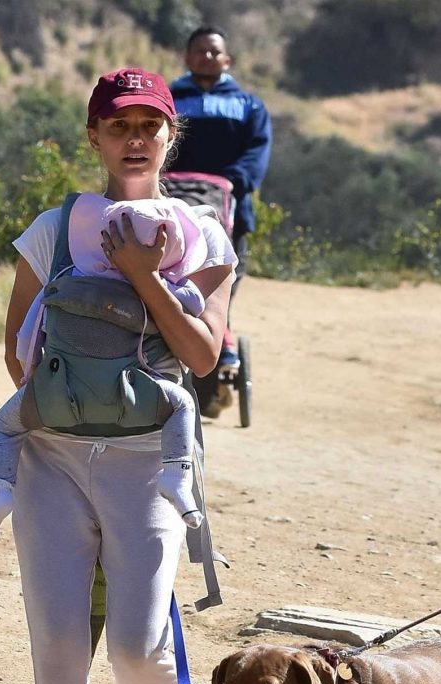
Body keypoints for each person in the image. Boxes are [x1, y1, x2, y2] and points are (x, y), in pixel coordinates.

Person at [1, 67, 235, 684]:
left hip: (147, 461)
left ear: (172, 137)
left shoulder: (201, 234)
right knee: (59, 648)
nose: (134, 137)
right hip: (52, 456)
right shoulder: (54, 226)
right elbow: (16, 350)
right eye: (117, 124)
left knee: (139, 647)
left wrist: (139, 276)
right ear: (93, 136)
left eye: (150, 124)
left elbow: (205, 357)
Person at [0, 193, 213, 543]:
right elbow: (198, 329)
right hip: (137, 400)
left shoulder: (70, 268)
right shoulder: (170, 282)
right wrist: (150, 278)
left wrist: (45, 397)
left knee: (3, 428)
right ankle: (177, 476)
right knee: (184, 404)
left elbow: (22, 344)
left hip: (58, 401)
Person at [169, 26, 271, 403]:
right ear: (187, 56)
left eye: (214, 52)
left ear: (226, 60)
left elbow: (256, 154)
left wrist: (231, 181)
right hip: (172, 211)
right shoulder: (169, 99)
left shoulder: (249, 106)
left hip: (230, 216)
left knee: (216, 290)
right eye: (200, 51)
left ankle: (213, 366)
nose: (207, 57)